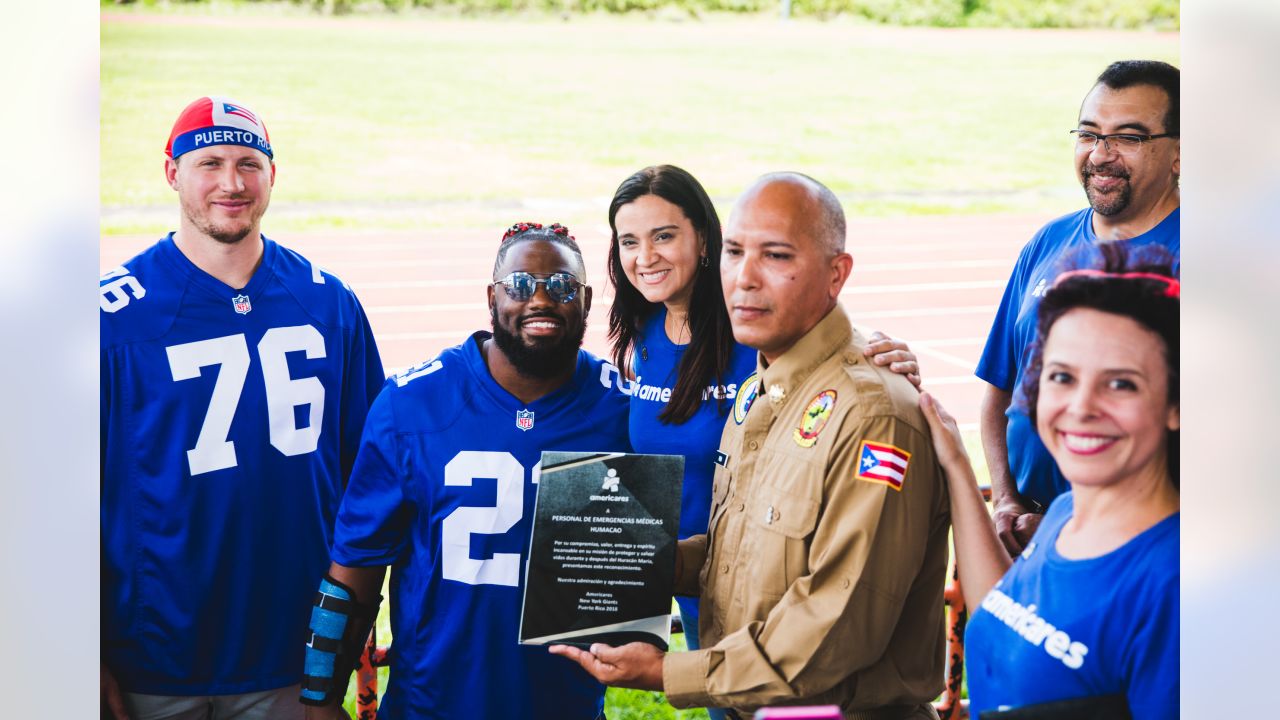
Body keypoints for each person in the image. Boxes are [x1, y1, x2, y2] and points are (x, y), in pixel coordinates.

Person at [553, 172, 950, 719]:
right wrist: (649, 563)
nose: (745, 277)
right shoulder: (758, 388)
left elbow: (838, 623)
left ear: (837, 274)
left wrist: (665, 672)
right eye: (738, 253)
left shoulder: (869, 410)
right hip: (733, 650)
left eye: (776, 255)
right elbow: (743, 540)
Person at [100, 96, 385, 720]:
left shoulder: (330, 304)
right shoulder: (109, 320)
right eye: (210, 163)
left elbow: (371, 484)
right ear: (171, 172)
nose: (231, 183)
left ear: (272, 176)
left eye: (249, 164)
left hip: (291, 646)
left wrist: (346, 636)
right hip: (153, 650)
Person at [299, 223, 632, 720]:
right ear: (492, 298)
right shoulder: (411, 405)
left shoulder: (622, 410)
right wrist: (320, 699)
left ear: (585, 300)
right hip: (432, 704)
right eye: (520, 285)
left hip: (566, 705)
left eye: (561, 286)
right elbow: (353, 575)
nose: (540, 299)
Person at [921, 244, 1179, 718]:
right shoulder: (1064, 515)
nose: (1081, 407)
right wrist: (957, 464)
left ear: (1177, 406)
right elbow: (1003, 615)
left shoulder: (1176, 588)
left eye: (1121, 383)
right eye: (1062, 376)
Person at [978, 60, 1180, 555]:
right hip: (1025, 533)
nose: (1101, 155)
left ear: (1179, 154)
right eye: (1089, 134)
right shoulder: (1048, 241)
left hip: (1137, 547)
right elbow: (999, 393)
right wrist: (1005, 500)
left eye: (1128, 138)